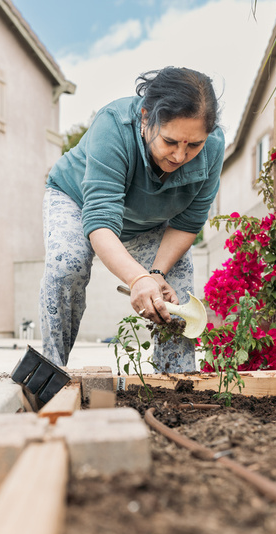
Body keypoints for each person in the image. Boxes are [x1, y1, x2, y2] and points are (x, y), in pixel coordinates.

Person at [39, 65, 225, 372]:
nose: (180, 156)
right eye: (169, 141)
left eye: (193, 145)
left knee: (177, 285)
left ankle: (176, 381)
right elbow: (99, 218)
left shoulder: (214, 147)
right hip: (77, 200)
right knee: (66, 265)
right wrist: (137, 279)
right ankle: (50, 369)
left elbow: (187, 223)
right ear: (144, 118)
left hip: (148, 223)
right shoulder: (113, 125)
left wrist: (154, 273)